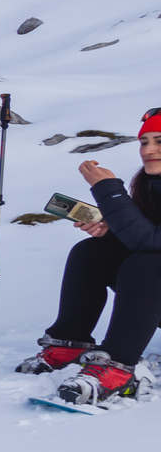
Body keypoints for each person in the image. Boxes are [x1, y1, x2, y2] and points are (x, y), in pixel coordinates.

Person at [16, 107, 161, 404]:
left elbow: (150, 243)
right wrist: (112, 229)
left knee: (147, 263)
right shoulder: (150, 185)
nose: (149, 150)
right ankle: (69, 345)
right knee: (92, 252)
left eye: (159, 141)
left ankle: (118, 368)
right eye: (144, 141)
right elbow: (145, 235)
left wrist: (108, 190)